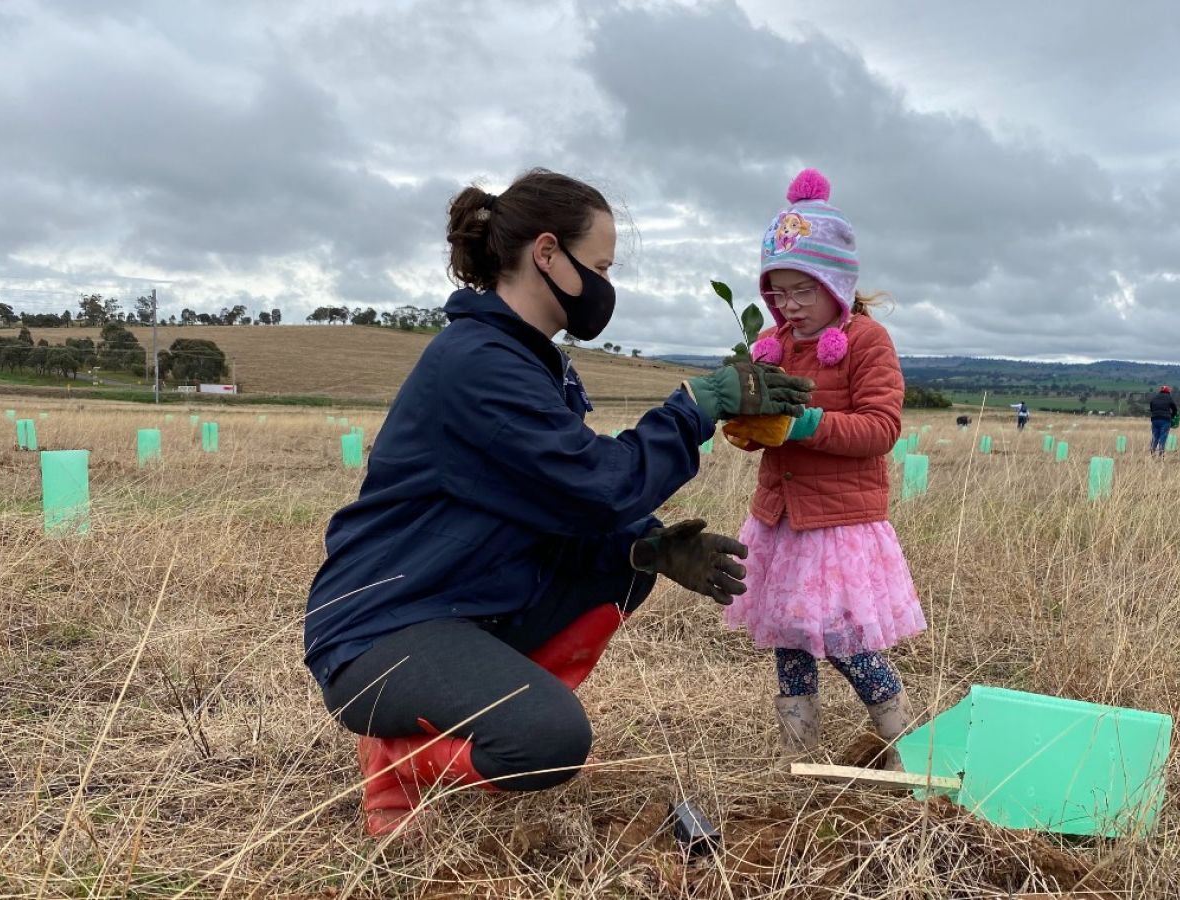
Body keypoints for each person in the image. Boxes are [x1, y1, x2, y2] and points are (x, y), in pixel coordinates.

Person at [303, 168, 815, 836]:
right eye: (599, 265)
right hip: (381, 631)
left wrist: (649, 544)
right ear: (546, 253)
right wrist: (696, 407)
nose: (605, 285)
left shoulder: (528, 360)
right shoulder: (479, 365)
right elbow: (598, 484)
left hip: (457, 607)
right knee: (546, 744)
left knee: (623, 561)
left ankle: (488, 712)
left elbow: (563, 500)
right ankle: (401, 757)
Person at [720, 169, 926, 770]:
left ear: (834, 282)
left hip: (837, 524)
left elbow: (880, 429)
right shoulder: (774, 346)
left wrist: (807, 424)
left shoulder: (866, 341)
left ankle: (905, 748)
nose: (787, 306)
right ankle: (798, 755)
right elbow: (770, 433)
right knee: (788, 639)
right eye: (777, 293)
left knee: (844, 641)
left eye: (800, 291)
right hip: (780, 520)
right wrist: (749, 430)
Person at [1149, 385, 1179, 456]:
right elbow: (1175, 408)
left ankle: (1152, 453)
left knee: (1155, 436)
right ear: (1168, 392)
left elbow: (1151, 405)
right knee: (1163, 436)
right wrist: (1172, 416)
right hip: (1165, 420)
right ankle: (1161, 454)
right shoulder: (1169, 398)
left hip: (1155, 419)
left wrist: (1155, 413)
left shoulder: (1155, 397)